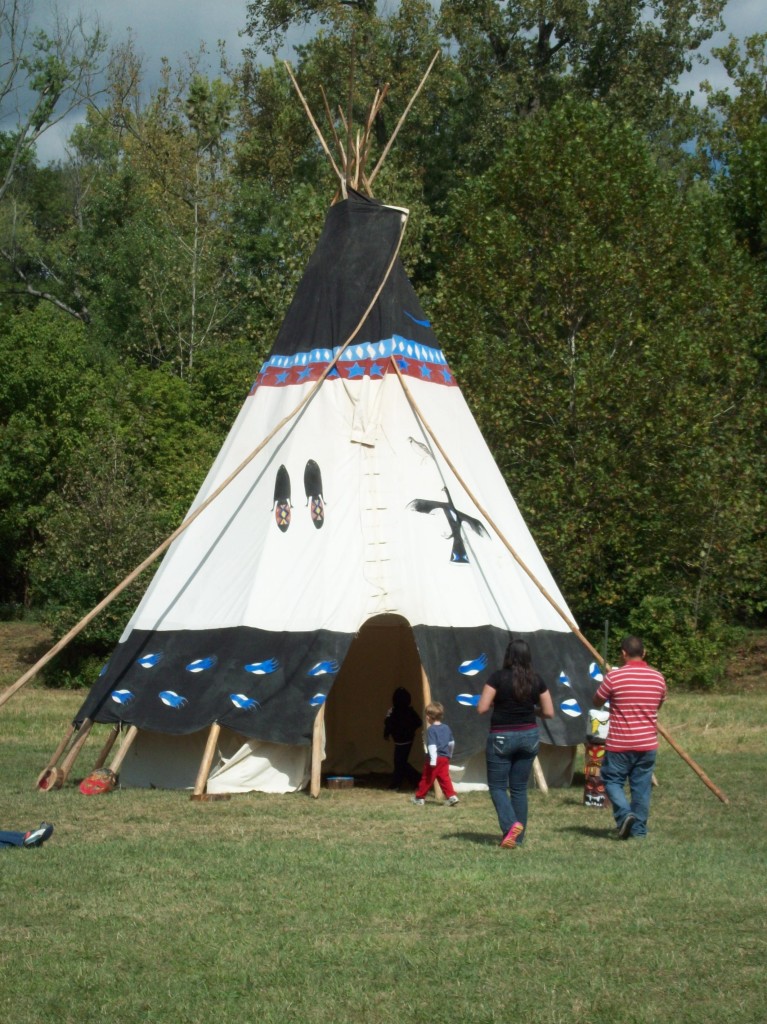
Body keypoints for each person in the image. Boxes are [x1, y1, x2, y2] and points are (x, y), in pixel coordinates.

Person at [477, 638, 554, 848]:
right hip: (529, 735)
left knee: (497, 787)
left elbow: (482, 707)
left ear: (508, 656)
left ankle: (511, 826)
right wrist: (532, 710)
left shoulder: (497, 678)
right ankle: (517, 839)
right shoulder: (537, 680)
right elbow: (549, 712)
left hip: (502, 736)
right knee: (519, 789)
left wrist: (498, 703)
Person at [593, 635, 667, 839]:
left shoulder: (614, 677)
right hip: (647, 743)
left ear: (623, 654)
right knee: (641, 787)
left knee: (611, 780)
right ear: (644, 653)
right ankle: (639, 831)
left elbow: (597, 700)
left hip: (620, 743)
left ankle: (625, 815)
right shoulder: (658, 677)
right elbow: (658, 704)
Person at [411, 701, 459, 806]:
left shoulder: (431, 730)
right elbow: (451, 743)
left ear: (429, 717)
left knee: (427, 778)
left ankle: (419, 797)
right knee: (445, 778)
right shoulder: (446, 728)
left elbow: (432, 746)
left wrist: (432, 760)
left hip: (435, 759)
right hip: (445, 758)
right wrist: (449, 754)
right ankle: (452, 796)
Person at [383, 686, 422, 790]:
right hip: (406, 739)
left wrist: (387, 733)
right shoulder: (408, 711)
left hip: (403, 740)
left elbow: (388, 723)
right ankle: (414, 780)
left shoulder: (393, 711)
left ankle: (402, 782)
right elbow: (418, 722)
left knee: (399, 762)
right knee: (400, 762)